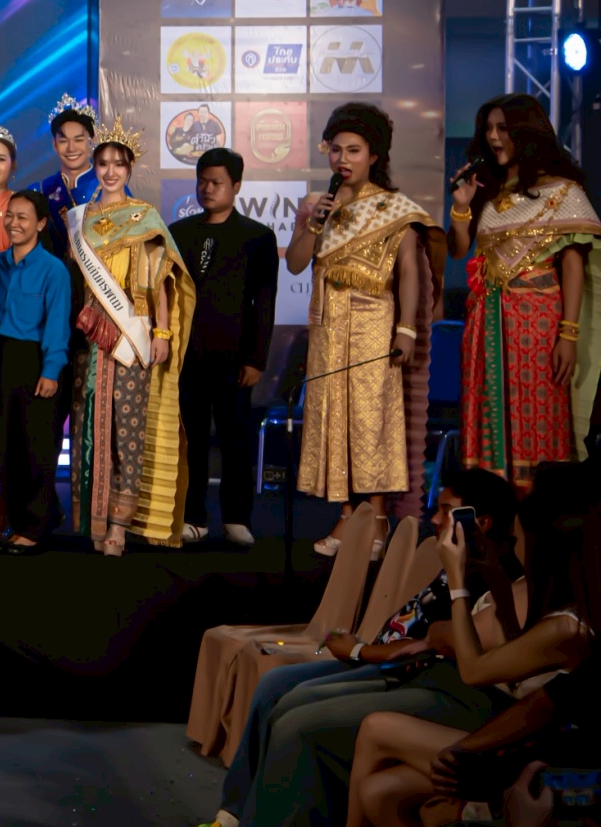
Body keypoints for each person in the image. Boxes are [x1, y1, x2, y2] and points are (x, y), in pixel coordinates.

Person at [215, 482, 596, 827]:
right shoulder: (543, 595)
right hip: (477, 703)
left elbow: (479, 669)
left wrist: (457, 588)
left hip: (516, 741)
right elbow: (494, 644)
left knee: (333, 722)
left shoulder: (569, 626)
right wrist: (487, 581)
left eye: (519, 540)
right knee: (375, 785)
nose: (514, 547)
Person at [290, 102, 440, 550]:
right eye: (336, 150)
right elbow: (296, 263)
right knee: (333, 416)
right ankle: (344, 517)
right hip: (328, 325)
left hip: (375, 323)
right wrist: (312, 225)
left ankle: (376, 520)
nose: (342, 159)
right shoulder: (316, 205)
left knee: (371, 419)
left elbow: (408, 270)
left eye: (353, 151)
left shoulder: (394, 208)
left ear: (374, 155)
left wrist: (406, 330)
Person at [449, 93, 601, 491]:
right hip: (486, 326)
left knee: (537, 413)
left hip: (537, 326)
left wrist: (568, 334)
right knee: (490, 416)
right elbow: (460, 251)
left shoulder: (563, 193)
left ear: (526, 133)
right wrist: (462, 207)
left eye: (503, 128)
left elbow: (572, 263)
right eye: (488, 129)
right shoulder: (491, 195)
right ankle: (494, 508)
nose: (493, 137)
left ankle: (534, 511)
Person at [67, 114, 194, 555]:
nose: (110, 172)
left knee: (126, 428)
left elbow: (160, 281)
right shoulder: (80, 220)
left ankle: (120, 524)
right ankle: (95, 520)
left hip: (131, 334)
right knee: (88, 427)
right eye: (103, 163)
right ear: (94, 167)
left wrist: (162, 331)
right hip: (89, 338)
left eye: (118, 164)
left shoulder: (144, 217)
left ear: (129, 168)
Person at [170, 147, 279, 547]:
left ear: (236, 186)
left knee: (235, 441)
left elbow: (264, 303)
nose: (207, 188)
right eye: (202, 181)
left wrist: (256, 358)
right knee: (191, 442)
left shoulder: (257, 237)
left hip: (235, 357)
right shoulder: (178, 232)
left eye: (216, 182)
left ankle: (236, 518)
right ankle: (193, 517)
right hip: (187, 356)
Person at [0, 190, 72, 553]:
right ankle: (34, 518)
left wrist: (51, 370)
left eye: (23, 217)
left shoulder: (54, 269)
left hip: (36, 359)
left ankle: (33, 528)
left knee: (36, 447)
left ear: (40, 224)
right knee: (5, 447)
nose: (14, 223)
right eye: (10, 215)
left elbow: (57, 325)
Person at [35, 93, 99, 258]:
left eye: (78, 140)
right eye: (63, 141)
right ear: (54, 145)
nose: (71, 148)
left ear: (92, 141)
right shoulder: (42, 190)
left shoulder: (109, 186)